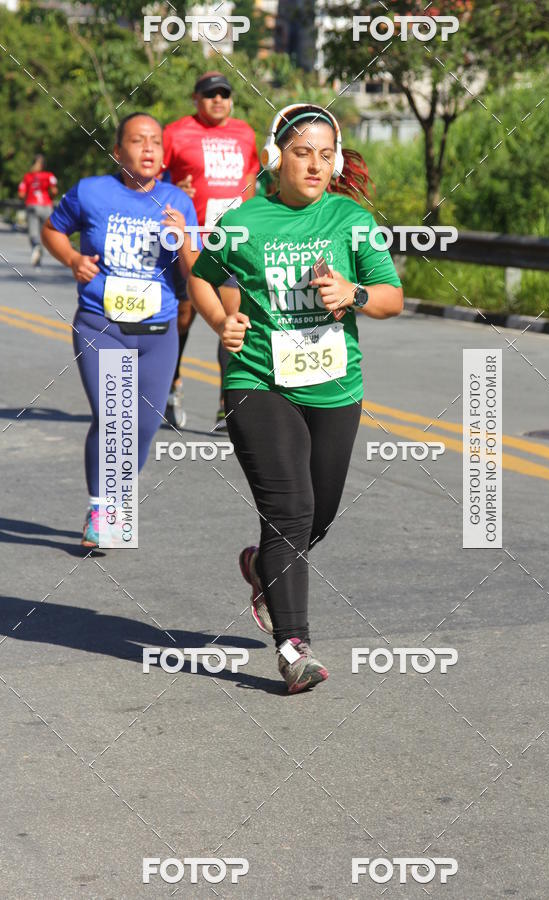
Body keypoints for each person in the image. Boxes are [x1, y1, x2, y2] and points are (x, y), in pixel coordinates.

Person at [187, 104, 404, 693]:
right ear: (278, 157)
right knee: (289, 509)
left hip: (335, 384)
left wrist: (354, 291)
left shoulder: (351, 220)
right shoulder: (244, 222)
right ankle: (293, 647)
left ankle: (263, 567)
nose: (315, 164)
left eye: (326, 154)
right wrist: (219, 323)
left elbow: (391, 297)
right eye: (303, 152)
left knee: (320, 512)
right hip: (258, 380)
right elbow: (203, 274)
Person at [41, 112, 198, 547]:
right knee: (114, 420)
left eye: (155, 142)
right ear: (118, 151)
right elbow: (52, 230)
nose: (148, 148)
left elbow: (195, 273)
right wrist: (73, 259)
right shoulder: (92, 192)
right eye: (137, 140)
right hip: (101, 323)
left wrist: (183, 237)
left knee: (144, 427)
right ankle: (102, 509)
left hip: (158, 332)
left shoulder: (177, 202)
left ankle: (117, 496)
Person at [162, 71, 260, 429]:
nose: (217, 100)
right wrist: (175, 189)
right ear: (195, 99)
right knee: (184, 316)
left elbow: (252, 180)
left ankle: (226, 403)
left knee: (232, 319)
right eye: (209, 94)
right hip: (189, 238)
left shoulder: (246, 134)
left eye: (224, 93)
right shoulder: (175, 133)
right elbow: (150, 180)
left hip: (230, 242)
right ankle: (172, 385)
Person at [18, 154, 58, 266]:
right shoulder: (49, 176)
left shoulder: (27, 177)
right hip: (46, 205)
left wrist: (25, 198)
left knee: (33, 231)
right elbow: (54, 191)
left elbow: (21, 194)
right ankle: (41, 248)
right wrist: (51, 197)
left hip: (32, 205)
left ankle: (36, 246)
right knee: (45, 231)